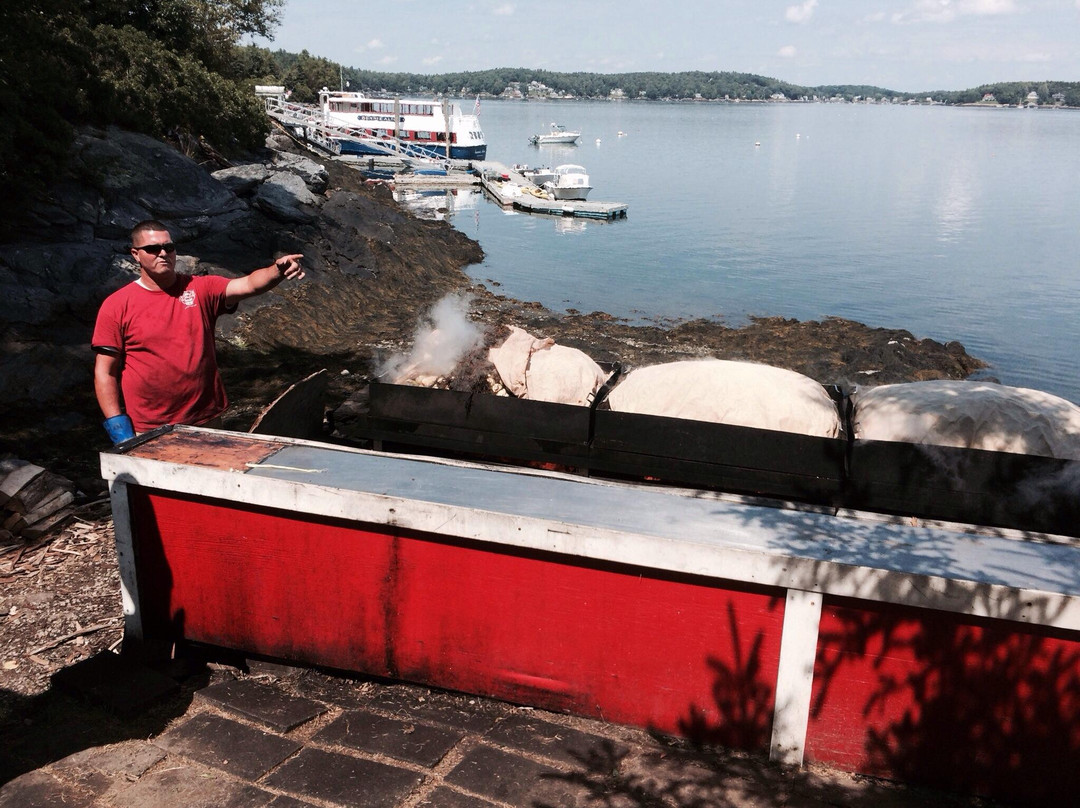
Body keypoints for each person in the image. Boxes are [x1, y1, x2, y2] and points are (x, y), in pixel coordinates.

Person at [92, 220, 305, 443]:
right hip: (149, 429)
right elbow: (105, 372)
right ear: (136, 254)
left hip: (206, 421)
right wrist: (119, 429)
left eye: (169, 247)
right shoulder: (117, 305)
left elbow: (249, 284)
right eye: (153, 249)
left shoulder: (200, 288)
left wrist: (277, 270)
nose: (163, 253)